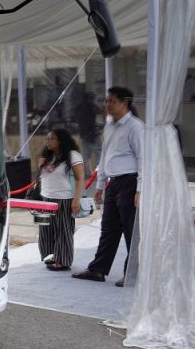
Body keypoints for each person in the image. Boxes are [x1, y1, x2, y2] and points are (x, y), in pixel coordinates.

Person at [73, 86, 143, 286]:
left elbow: (143, 159)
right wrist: (100, 184)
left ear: (124, 103)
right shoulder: (109, 126)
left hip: (130, 181)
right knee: (108, 228)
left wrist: (140, 188)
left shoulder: (135, 127)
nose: (107, 105)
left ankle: (133, 274)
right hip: (113, 183)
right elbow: (105, 157)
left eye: (112, 101)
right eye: (107, 101)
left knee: (131, 229)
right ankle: (98, 269)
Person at [36, 129, 85, 271]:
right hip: (45, 198)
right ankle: (55, 254)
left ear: (61, 140)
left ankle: (63, 260)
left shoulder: (73, 155)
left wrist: (76, 200)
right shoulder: (48, 156)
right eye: (47, 138)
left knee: (63, 230)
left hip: (64, 199)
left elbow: (80, 178)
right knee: (46, 229)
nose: (48, 141)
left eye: (52, 139)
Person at [74, 92, 101, 177]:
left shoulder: (78, 108)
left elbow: (76, 119)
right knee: (98, 155)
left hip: (84, 135)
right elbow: (100, 112)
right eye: (93, 98)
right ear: (90, 99)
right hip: (93, 134)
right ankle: (99, 173)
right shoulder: (93, 107)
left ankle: (87, 173)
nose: (94, 100)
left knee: (86, 156)